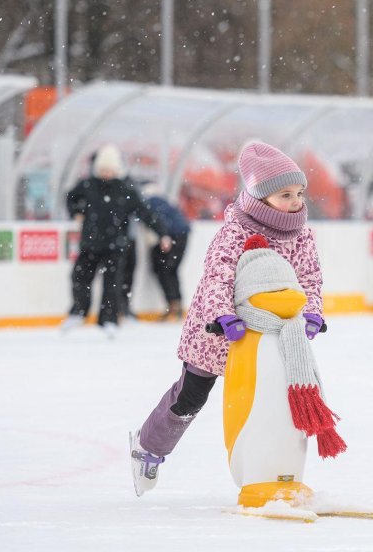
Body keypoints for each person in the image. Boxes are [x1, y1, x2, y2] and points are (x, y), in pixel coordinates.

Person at [129, 141, 325, 496]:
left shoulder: (302, 235)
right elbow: (217, 277)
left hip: (271, 334)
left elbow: (309, 277)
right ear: (260, 196)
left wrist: (312, 311)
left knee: (273, 398)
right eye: (285, 195)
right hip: (218, 333)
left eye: (299, 193)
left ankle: (270, 469)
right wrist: (223, 315)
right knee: (190, 398)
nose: (296, 202)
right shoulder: (236, 232)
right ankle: (148, 447)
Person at [62, 145, 172, 338]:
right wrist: (76, 211)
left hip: (116, 245)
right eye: (103, 170)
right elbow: (70, 198)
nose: (106, 174)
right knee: (79, 277)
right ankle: (79, 311)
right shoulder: (88, 185)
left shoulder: (125, 189)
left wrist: (162, 233)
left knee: (112, 283)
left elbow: (145, 213)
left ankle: (109, 319)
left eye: (110, 170)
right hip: (90, 243)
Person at [139, 181, 191, 321]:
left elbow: (157, 221)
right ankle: (176, 306)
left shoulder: (150, 202)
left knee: (165, 270)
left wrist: (163, 237)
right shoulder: (163, 201)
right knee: (171, 270)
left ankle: (173, 306)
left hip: (171, 237)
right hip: (181, 236)